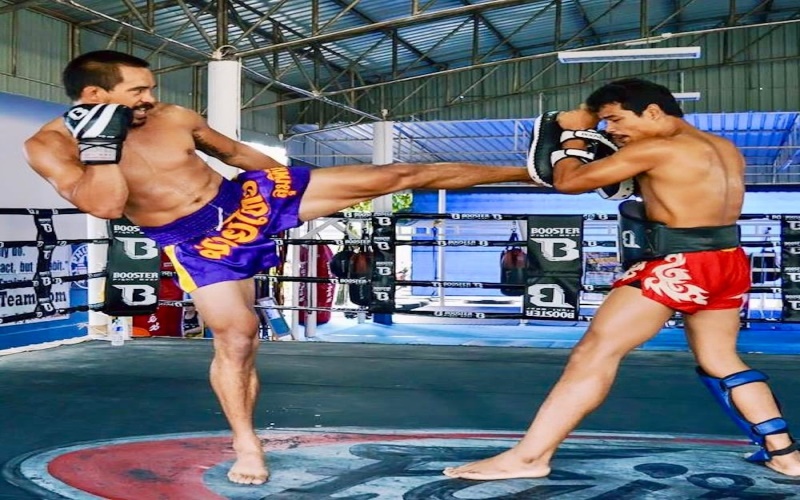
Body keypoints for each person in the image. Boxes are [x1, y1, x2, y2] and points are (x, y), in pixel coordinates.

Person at [22, 50, 535, 485]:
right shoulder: (49, 145)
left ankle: (540, 171)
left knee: (397, 173)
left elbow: (242, 155)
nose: (149, 99)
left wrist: (302, 194)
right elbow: (106, 207)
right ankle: (247, 445)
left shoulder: (173, 117)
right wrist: (102, 146)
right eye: (137, 91)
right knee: (240, 338)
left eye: (150, 88)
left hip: (245, 199)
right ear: (93, 96)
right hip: (196, 240)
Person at [444, 78, 800, 480]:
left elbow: (568, 181)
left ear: (652, 111)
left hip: (678, 263)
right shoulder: (724, 149)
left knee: (594, 353)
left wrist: (574, 139)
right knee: (721, 359)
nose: (610, 130)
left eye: (614, 119)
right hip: (727, 262)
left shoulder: (655, 149)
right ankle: (786, 455)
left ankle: (529, 458)